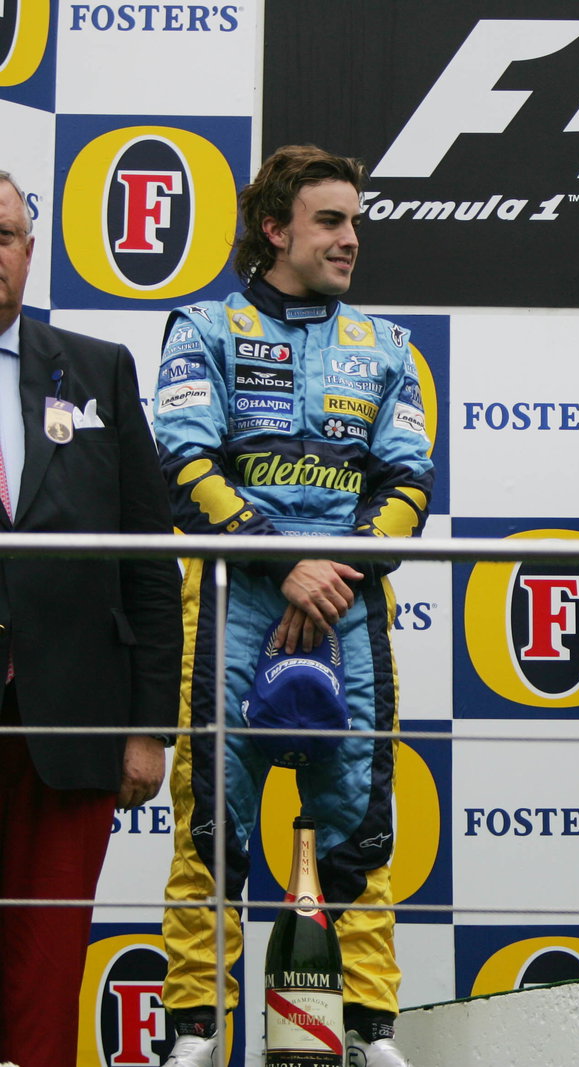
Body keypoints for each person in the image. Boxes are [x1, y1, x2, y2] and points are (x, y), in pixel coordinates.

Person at [155, 146, 432, 1067]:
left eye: (355, 221)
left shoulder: (388, 347)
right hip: (234, 597)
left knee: (358, 819)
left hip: (348, 605)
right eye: (330, 221)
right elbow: (186, 465)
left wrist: (330, 574)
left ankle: (366, 1029)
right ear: (275, 229)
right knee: (212, 823)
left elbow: (407, 485)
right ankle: (197, 1030)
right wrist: (288, 565)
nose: (352, 238)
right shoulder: (203, 328)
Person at [0, 169, 179, 1067]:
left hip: (67, 723)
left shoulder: (98, 367)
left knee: (43, 969)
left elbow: (150, 561)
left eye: (2, 235)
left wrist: (148, 728)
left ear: (30, 252)